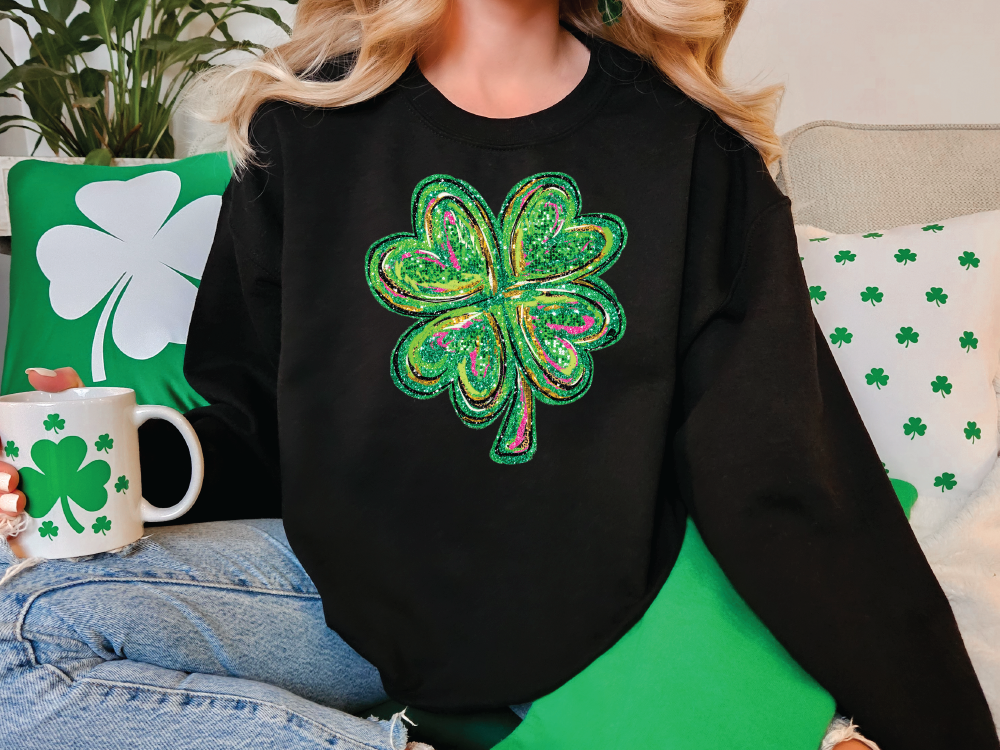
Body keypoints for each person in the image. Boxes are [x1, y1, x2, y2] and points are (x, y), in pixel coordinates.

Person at [1, 0, 997, 748]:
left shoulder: (689, 149)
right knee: (19, 632)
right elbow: (256, 423)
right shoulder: (301, 127)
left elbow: (784, 478)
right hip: (342, 603)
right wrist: (116, 456)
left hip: (578, 621)